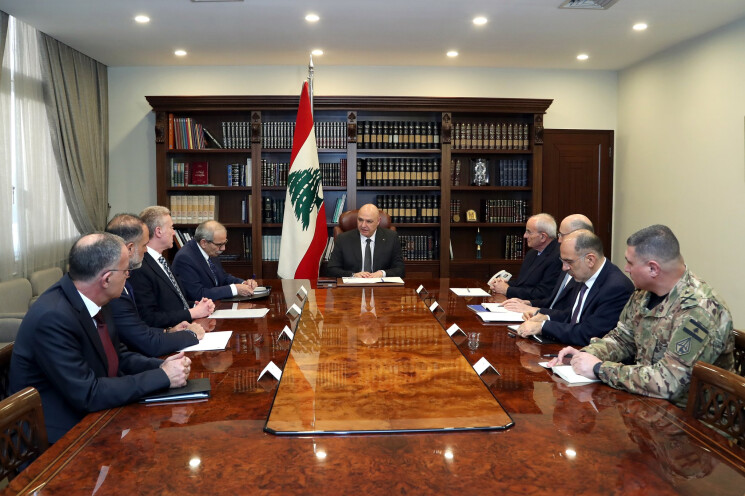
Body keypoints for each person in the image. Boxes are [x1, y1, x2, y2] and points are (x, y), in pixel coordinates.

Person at [9, 233, 191, 443]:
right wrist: (162, 377)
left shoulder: (95, 298)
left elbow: (117, 356)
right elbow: (88, 394)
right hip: (59, 436)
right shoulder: (53, 317)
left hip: (96, 413)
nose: (128, 276)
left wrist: (161, 366)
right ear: (106, 279)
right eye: (126, 271)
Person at [548, 225, 734, 408]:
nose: (626, 269)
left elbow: (668, 382)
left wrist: (599, 369)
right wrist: (586, 355)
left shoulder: (699, 309)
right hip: (647, 403)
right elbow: (622, 338)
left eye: (630, 263)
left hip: (691, 417)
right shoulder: (643, 294)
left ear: (653, 269)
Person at [106, 213, 204, 356]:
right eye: (144, 245)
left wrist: (169, 331)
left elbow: (139, 329)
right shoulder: (113, 289)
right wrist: (191, 334)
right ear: (130, 248)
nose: (146, 250)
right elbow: (143, 339)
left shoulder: (120, 280)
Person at [515, 230, 634, 346]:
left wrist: (543, 327)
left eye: (569, 262)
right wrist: (546, 317)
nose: (564, 268)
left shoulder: (616, 287)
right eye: (562, 261)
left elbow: (590, 334)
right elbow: (575, 315)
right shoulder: (585, 274)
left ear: (590, 260)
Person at [129, 206, 214, 328]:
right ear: (158, 231)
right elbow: (149, 317)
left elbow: (176, 303)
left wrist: (198, 306)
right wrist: (193, 313)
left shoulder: (162, 260)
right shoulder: (140, 266)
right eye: (171, 227)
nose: (174, 233)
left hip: (186, 327)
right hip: (168, 334)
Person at [503, 214, 594, 315]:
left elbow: (570, 315)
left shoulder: (583, 271)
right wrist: (529, 303)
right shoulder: (568, 264)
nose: (558, 240)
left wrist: (536, 311)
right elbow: (553, 301)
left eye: (561, 235)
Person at [171, 220, 257, 301]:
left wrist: (243, 283)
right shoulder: (185, 258)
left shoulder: (210, 250)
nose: (223, 248)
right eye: (219, 244)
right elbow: (197, 294)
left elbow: (223, 278)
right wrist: (234, 289)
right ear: (204, 243)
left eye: (224, 243)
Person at [489, 213, 561, 301]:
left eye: (529, 232)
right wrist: (503, 284)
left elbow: (542, 293)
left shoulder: (557, 257)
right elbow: (522, 283)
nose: (525, 236)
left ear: (543, 237)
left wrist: (507, 290)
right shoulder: (532, 253)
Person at [326, 203, 405, 278]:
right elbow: (331, 269)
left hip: (380, 285)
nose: (363, 225)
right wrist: (353, 275)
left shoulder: (391, 237)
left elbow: (400, 269)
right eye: (360, 220)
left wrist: (382, 273)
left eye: (369, 221)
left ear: (378, 221)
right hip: (353, 286)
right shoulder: (343, 239)